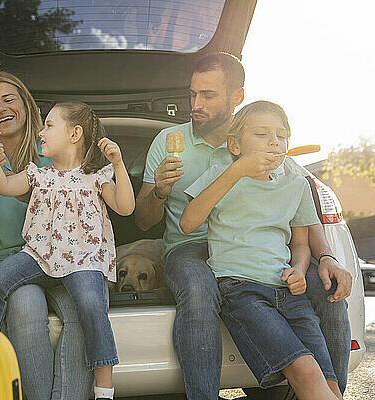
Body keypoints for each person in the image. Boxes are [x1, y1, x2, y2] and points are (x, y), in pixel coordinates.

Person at [134, 52, 352, 399]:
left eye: (208, 95)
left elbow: (300, 213)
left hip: (260, 252)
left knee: (327, 289)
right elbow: (145, 221)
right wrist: (159, 192)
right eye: (193, 94)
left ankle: (328, 388)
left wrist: (327, 258)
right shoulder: (168, 141)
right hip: (189, 246)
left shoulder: (267, 142)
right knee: (199, 285)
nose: (195, 104)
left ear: (236, 97)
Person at [0, 102, 135, 400]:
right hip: (39, 255)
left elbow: (125, 207)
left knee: (91, 304)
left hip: (83, 259)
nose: (41, 133)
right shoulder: (40, 174)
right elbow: (4, 185)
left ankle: (104, 389)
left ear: (74, 134)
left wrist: (120, 165)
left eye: (48, 125)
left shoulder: (97, 176)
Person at [180, 101, 342, 399]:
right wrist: (236, 171)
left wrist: (300, 268)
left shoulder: (296, 185)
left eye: (281, 135)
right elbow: (188, 222)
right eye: (262, 133)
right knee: (305, 372)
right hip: (242, 290)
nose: (274, 141)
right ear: (235, 145)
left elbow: (300, 244)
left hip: (289, 293)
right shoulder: (222, 174)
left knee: (328, 384)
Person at [0, 72, 94, 400]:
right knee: (25, 306)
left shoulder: (52, 146)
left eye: (9, 100)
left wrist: (6, 174)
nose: (0, 109)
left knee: (83, 310)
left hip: (56, 258)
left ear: (25, 104)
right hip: (6, 262)